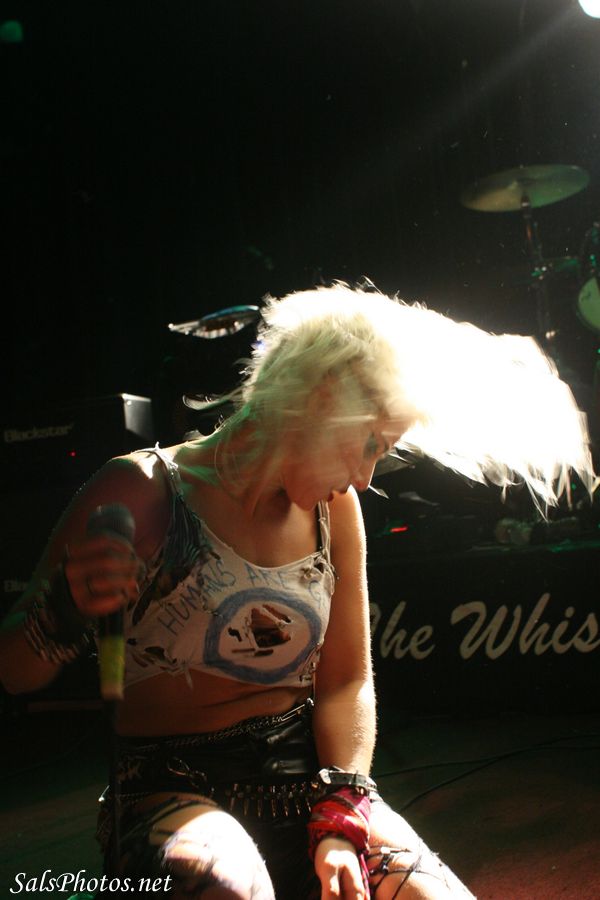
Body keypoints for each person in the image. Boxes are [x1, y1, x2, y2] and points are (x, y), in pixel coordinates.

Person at [0, 283, 595, 899]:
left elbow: (346, 681)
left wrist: (343, 809)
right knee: (228, 884)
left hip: (308, 783)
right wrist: (64, 608)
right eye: (370, 444)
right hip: (168, 788)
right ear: (318, 399)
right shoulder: (144, 488)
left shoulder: (336, 512)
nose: (364, 476)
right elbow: (13, 672)